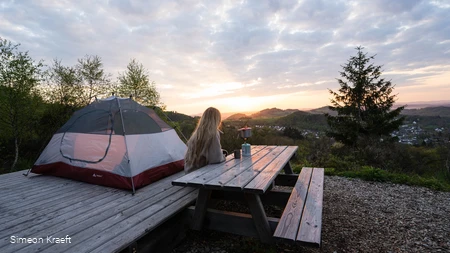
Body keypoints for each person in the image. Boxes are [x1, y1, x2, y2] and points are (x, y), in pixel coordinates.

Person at [184, 107, 227, 174]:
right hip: (201, 175)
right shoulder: (213, 133)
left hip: (190, 173)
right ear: (217, 120)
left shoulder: (196, 134)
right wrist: (223, 156)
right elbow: (216, 159)